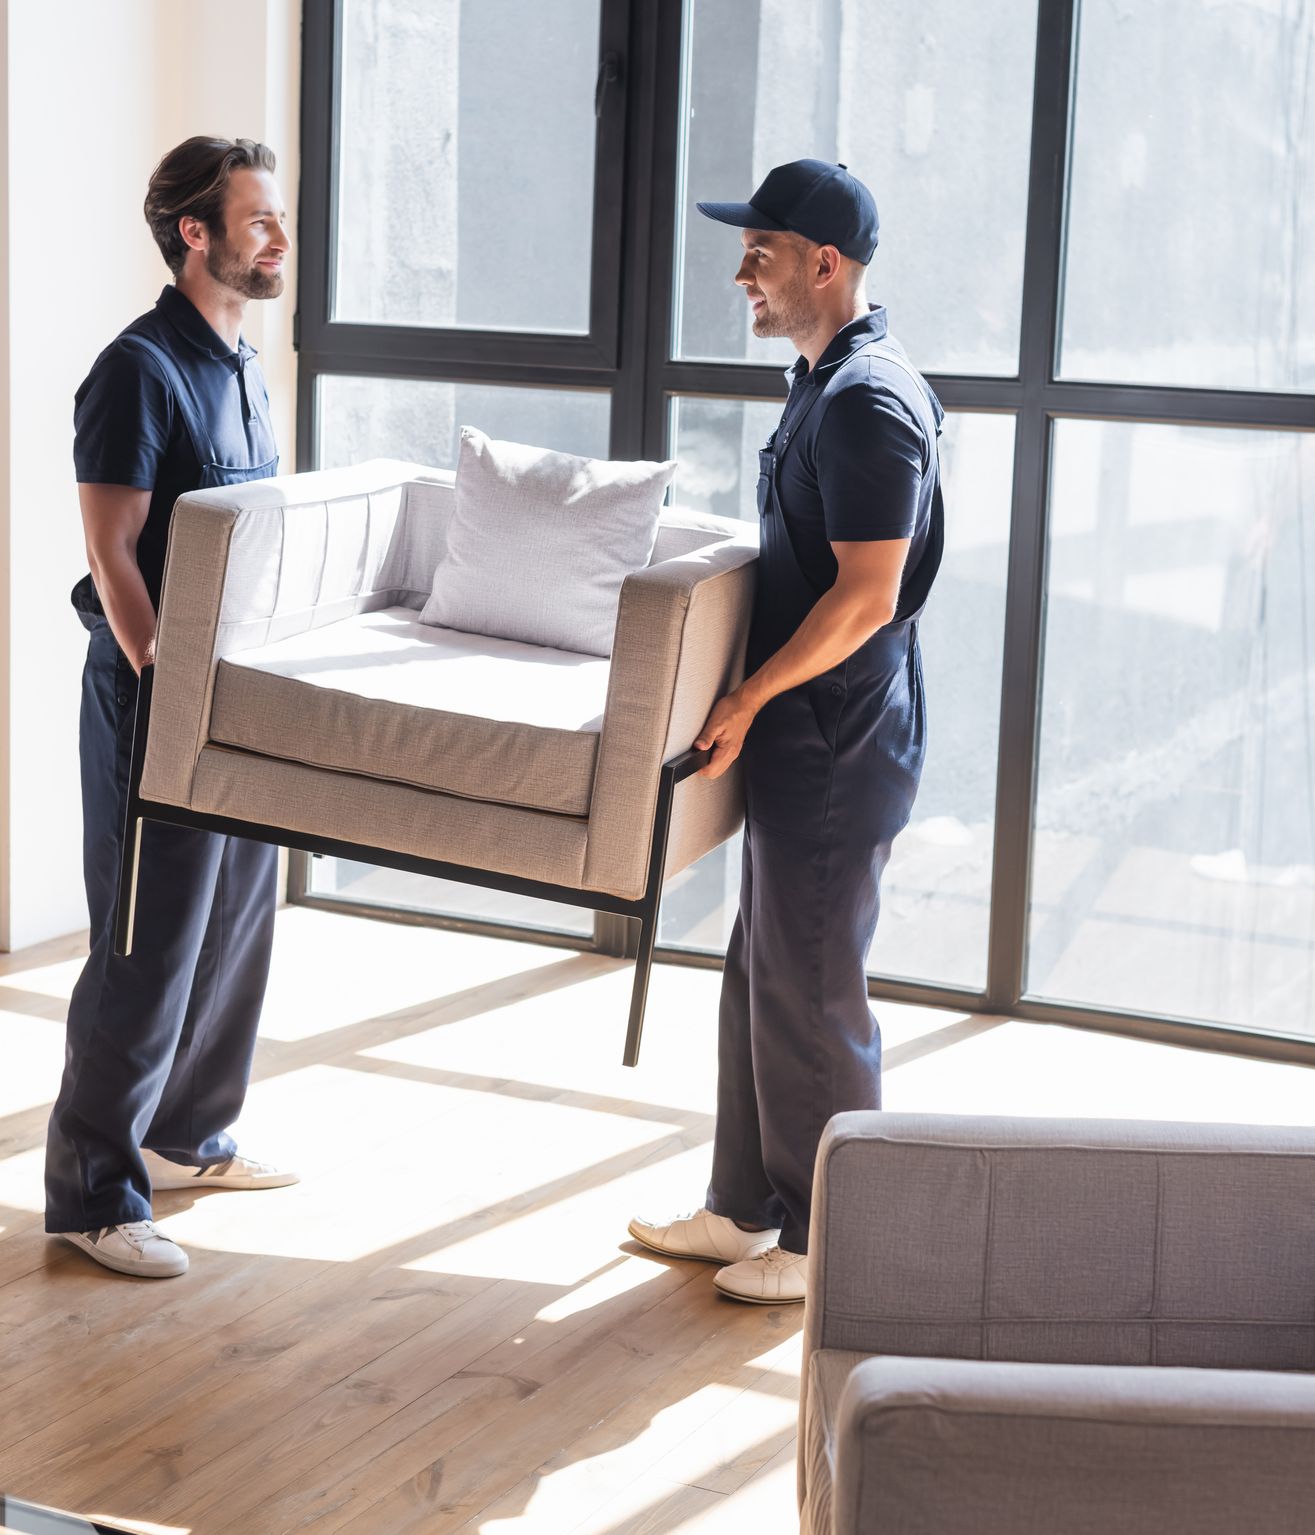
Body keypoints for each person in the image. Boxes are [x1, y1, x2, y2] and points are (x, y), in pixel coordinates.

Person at [630, 160, 944, 1304]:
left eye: (759, 251)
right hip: (810, 725)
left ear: (825, 261)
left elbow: (865, 592)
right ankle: (743, 1205)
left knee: (813, 983)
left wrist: (748, 695)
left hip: (837, 729)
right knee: (762, 965)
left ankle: (826, 1242)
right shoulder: (823, 377)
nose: (739, 271)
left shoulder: (866, 399)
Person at [46, 137, 299, 1279]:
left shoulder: (242, 361)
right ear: (194, 233)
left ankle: (188, 1134)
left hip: (236, 695)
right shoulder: (136, 369)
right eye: (257, 222)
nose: (279, 241)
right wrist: (165, 684)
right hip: (159, 697)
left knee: (240, 917)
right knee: (146, 943)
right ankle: (94, 1194)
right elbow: (112, 553)